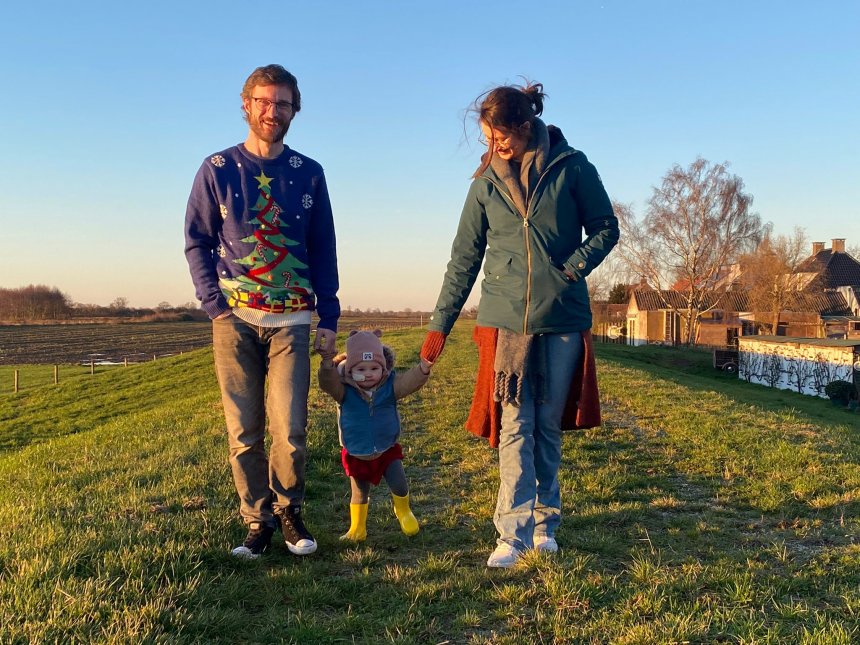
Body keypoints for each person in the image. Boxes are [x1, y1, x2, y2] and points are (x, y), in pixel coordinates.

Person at [420, 82, 618, 568]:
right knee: (515, 425)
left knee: (547, 426)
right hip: (505, 321)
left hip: (562, 318)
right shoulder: (485, 182)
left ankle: (547, 523)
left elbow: (606, 227)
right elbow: (463, 259)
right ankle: (512, 533)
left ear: (525, 127)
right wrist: (439, 326)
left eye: (501, 138)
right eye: (488, 138)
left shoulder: (573, 166)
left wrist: (570, 269)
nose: (494, 146)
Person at [184, 64, 339, 559]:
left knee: (290, 427)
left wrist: (329, 316)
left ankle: (290, 511)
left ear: (296, 110)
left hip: (292, 320)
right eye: (265, 102)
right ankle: (258, 521)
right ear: (247, 105)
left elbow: (323, 249)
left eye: (284, 104)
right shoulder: (217, 169)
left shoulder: (309, 173)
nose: (274, 112)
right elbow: (197, 242)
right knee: (243, 430)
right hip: (235, 321)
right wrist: (215, 307)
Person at [317, 330, 431, 541]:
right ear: (350, 371)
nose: (368, 374)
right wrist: (327, 364)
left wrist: (423, 369)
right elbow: (327, 382)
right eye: (361, 369)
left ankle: (404, 511)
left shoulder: (390, 386)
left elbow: (409, 382)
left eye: (374, 368)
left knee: (399, 483)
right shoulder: (343, 391)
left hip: (387, 449)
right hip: (357, 451)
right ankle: (357, 528)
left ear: (383, 368)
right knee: (359, 492)